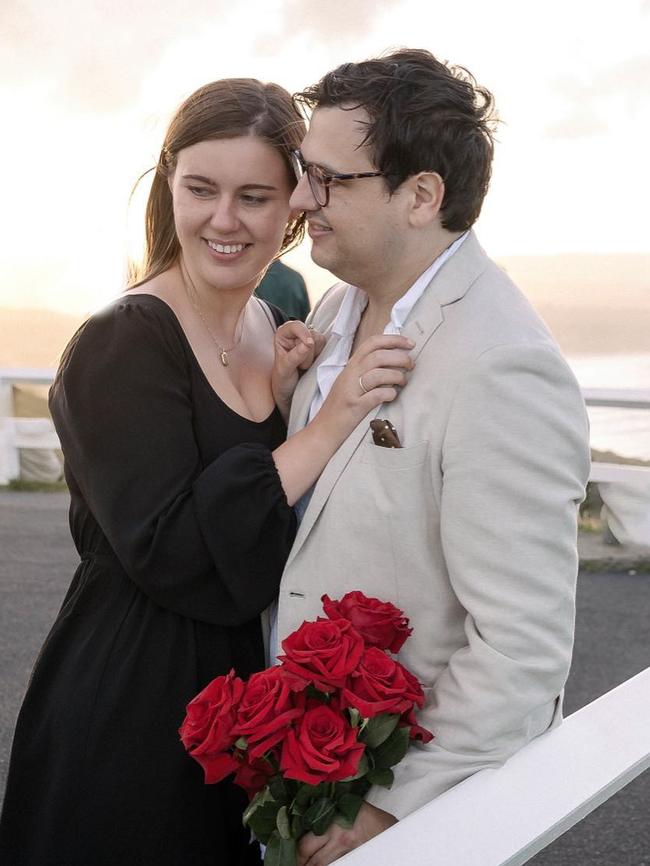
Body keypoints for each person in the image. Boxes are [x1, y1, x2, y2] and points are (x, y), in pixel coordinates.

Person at [0, 78, 413, 866]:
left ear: (293, 203)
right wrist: (328, 423)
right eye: (201, 190)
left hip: (238, 696)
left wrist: (286, 403)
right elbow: (178, 546)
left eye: (254, 196)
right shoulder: (121, 342)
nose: (224, 220)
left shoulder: (264, 323)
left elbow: (246, 487)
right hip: (131, 697)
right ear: (169, 189)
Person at [273, 49, 592, 865]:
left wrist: (386, 812)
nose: (303, 198)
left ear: (421, 196)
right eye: (305, 172)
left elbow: (520, 648)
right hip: (298, 766)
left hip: (400, 812)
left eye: (330, 180)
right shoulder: (337, 306)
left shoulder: (502, 364)